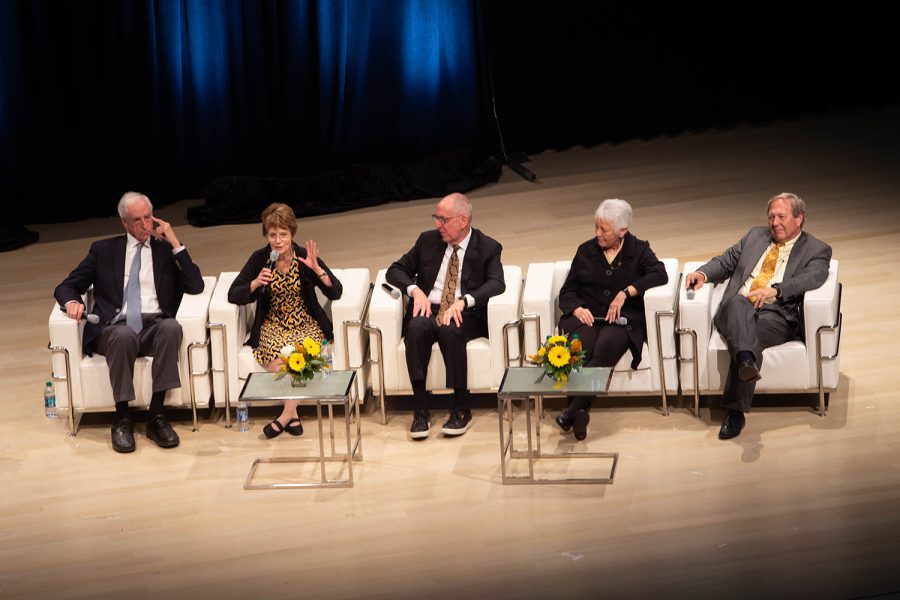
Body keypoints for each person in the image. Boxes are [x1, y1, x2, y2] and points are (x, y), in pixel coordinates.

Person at [54, 192, 205, 453]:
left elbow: (195, 284)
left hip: (153, 327)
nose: (145, 225)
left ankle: (156, 416)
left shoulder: (165, 250)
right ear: (124, 222)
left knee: (171, 328)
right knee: (123, 335)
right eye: (137, 220)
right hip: (113, 328)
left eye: (148, 218)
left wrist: (175, 242)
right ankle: (122, 417)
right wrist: (72, 303)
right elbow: (67, 286)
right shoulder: (103, 250)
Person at [684, 192, 832, 440]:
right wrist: (703, 273)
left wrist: (775, 290)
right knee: (741, 305)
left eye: (781, 217)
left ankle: (744, 363)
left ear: (799, 218)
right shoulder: (755, 235)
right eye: (771, 217)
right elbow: (725, 261)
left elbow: (813, 277)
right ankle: (736, 408)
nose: (774, 222)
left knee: (746, 336)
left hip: (776, 316)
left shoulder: (817, 249)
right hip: (735, 308)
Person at [386, 192, 505, 439]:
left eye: (443, 219)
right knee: (416, 329)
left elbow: (496, 283)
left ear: (463, 220)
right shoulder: (427, 241)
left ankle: (461, 408)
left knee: (451, 330)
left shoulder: (488, 247)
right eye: (435, 218)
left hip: (465, 313)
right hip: (429, 308)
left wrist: (464, 301)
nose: (437, 225)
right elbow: (395, 270)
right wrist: (415, 290)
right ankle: (420, 411)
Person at [555, 199, 668, 440]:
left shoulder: (638, 249)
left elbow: (660, 273)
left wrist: (626, 292)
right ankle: (576, 414)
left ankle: (572, 410)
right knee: (580, 346)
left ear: (622, 231)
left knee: (605, 347)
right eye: (596, 227)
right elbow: (567, 292)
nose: (597, 234)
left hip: (622, 321)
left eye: (603, 230)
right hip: (586, 318)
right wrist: (576, 309)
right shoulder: (586, 250)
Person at [227, 203, 342, 439]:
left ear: (292, 234)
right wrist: (256, 283)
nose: (278, 241)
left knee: (301, 357)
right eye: (272, 235)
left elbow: (335, 292)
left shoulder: (303, 256)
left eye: (283, 235)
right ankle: (294, 414)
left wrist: (318, 270)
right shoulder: (260, 258)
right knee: (278, 362)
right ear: (266, 235)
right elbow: (233, 293)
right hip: (273, 323)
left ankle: (284, 417)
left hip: (305, 322)